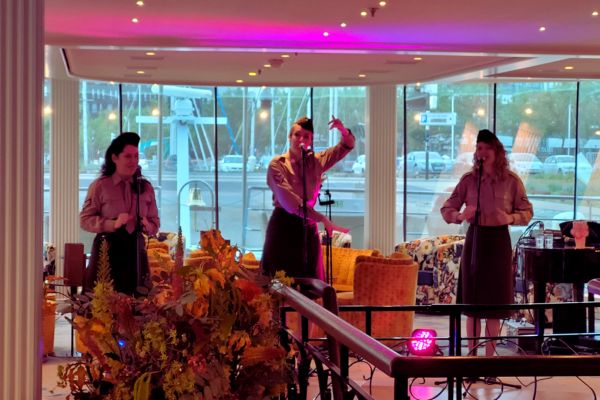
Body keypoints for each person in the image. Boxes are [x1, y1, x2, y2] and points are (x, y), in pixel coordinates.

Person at [440, 129, 533, 356]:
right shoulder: (469, 181)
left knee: (493, 305)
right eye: (478, 148)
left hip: (499, 242)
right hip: (475, 240)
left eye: (486, 148)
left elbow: (527, 211)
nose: (481, 152)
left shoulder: (511, 181)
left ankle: (488, 359)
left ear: (497, 151)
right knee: (473, 305)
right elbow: (447, 208)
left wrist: (509, 218)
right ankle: (472, 357)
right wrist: (460, 216)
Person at [261, 116, 355, 280]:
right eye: (297, 135)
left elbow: (346, 146)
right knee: (279, 284)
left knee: (311, 283)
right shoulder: (277, 165)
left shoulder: (316, 162)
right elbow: (290, 203)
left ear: (311, 141)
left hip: (308, 229)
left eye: (306, 136)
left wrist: (343, 130)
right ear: (290, 137)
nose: (301, 140)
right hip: (283, 225)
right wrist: (321, 218)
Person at [81, 132, 160, 295]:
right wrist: (112, 223)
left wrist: (147, 225)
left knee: (139, 303)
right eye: (128, 156)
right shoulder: (100, 186)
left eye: (136, 156)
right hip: (107, 252)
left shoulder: (145, 188)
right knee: (104, 303)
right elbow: (85, 220)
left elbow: (155, 223)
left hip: (136, 253)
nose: (133, 161)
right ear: (114, 158)